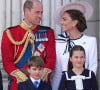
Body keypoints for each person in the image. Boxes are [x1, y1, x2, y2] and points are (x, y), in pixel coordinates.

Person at [1, 0, 56, 90]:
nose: (40, 16)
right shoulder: (10, 33)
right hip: (18, 85)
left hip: (41, 84)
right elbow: (7, 62)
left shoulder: (48, 32)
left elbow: (51, 59)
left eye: (41, 12)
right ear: (27, 11)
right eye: (37, 12)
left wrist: (39, 77)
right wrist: (25, 80)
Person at [52, 1, 97, 90]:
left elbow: (93, 67)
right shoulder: (59, 42)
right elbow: (57, 71)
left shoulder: (90, 41)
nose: (61, 23)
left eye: (64, 19)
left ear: (74, 22)